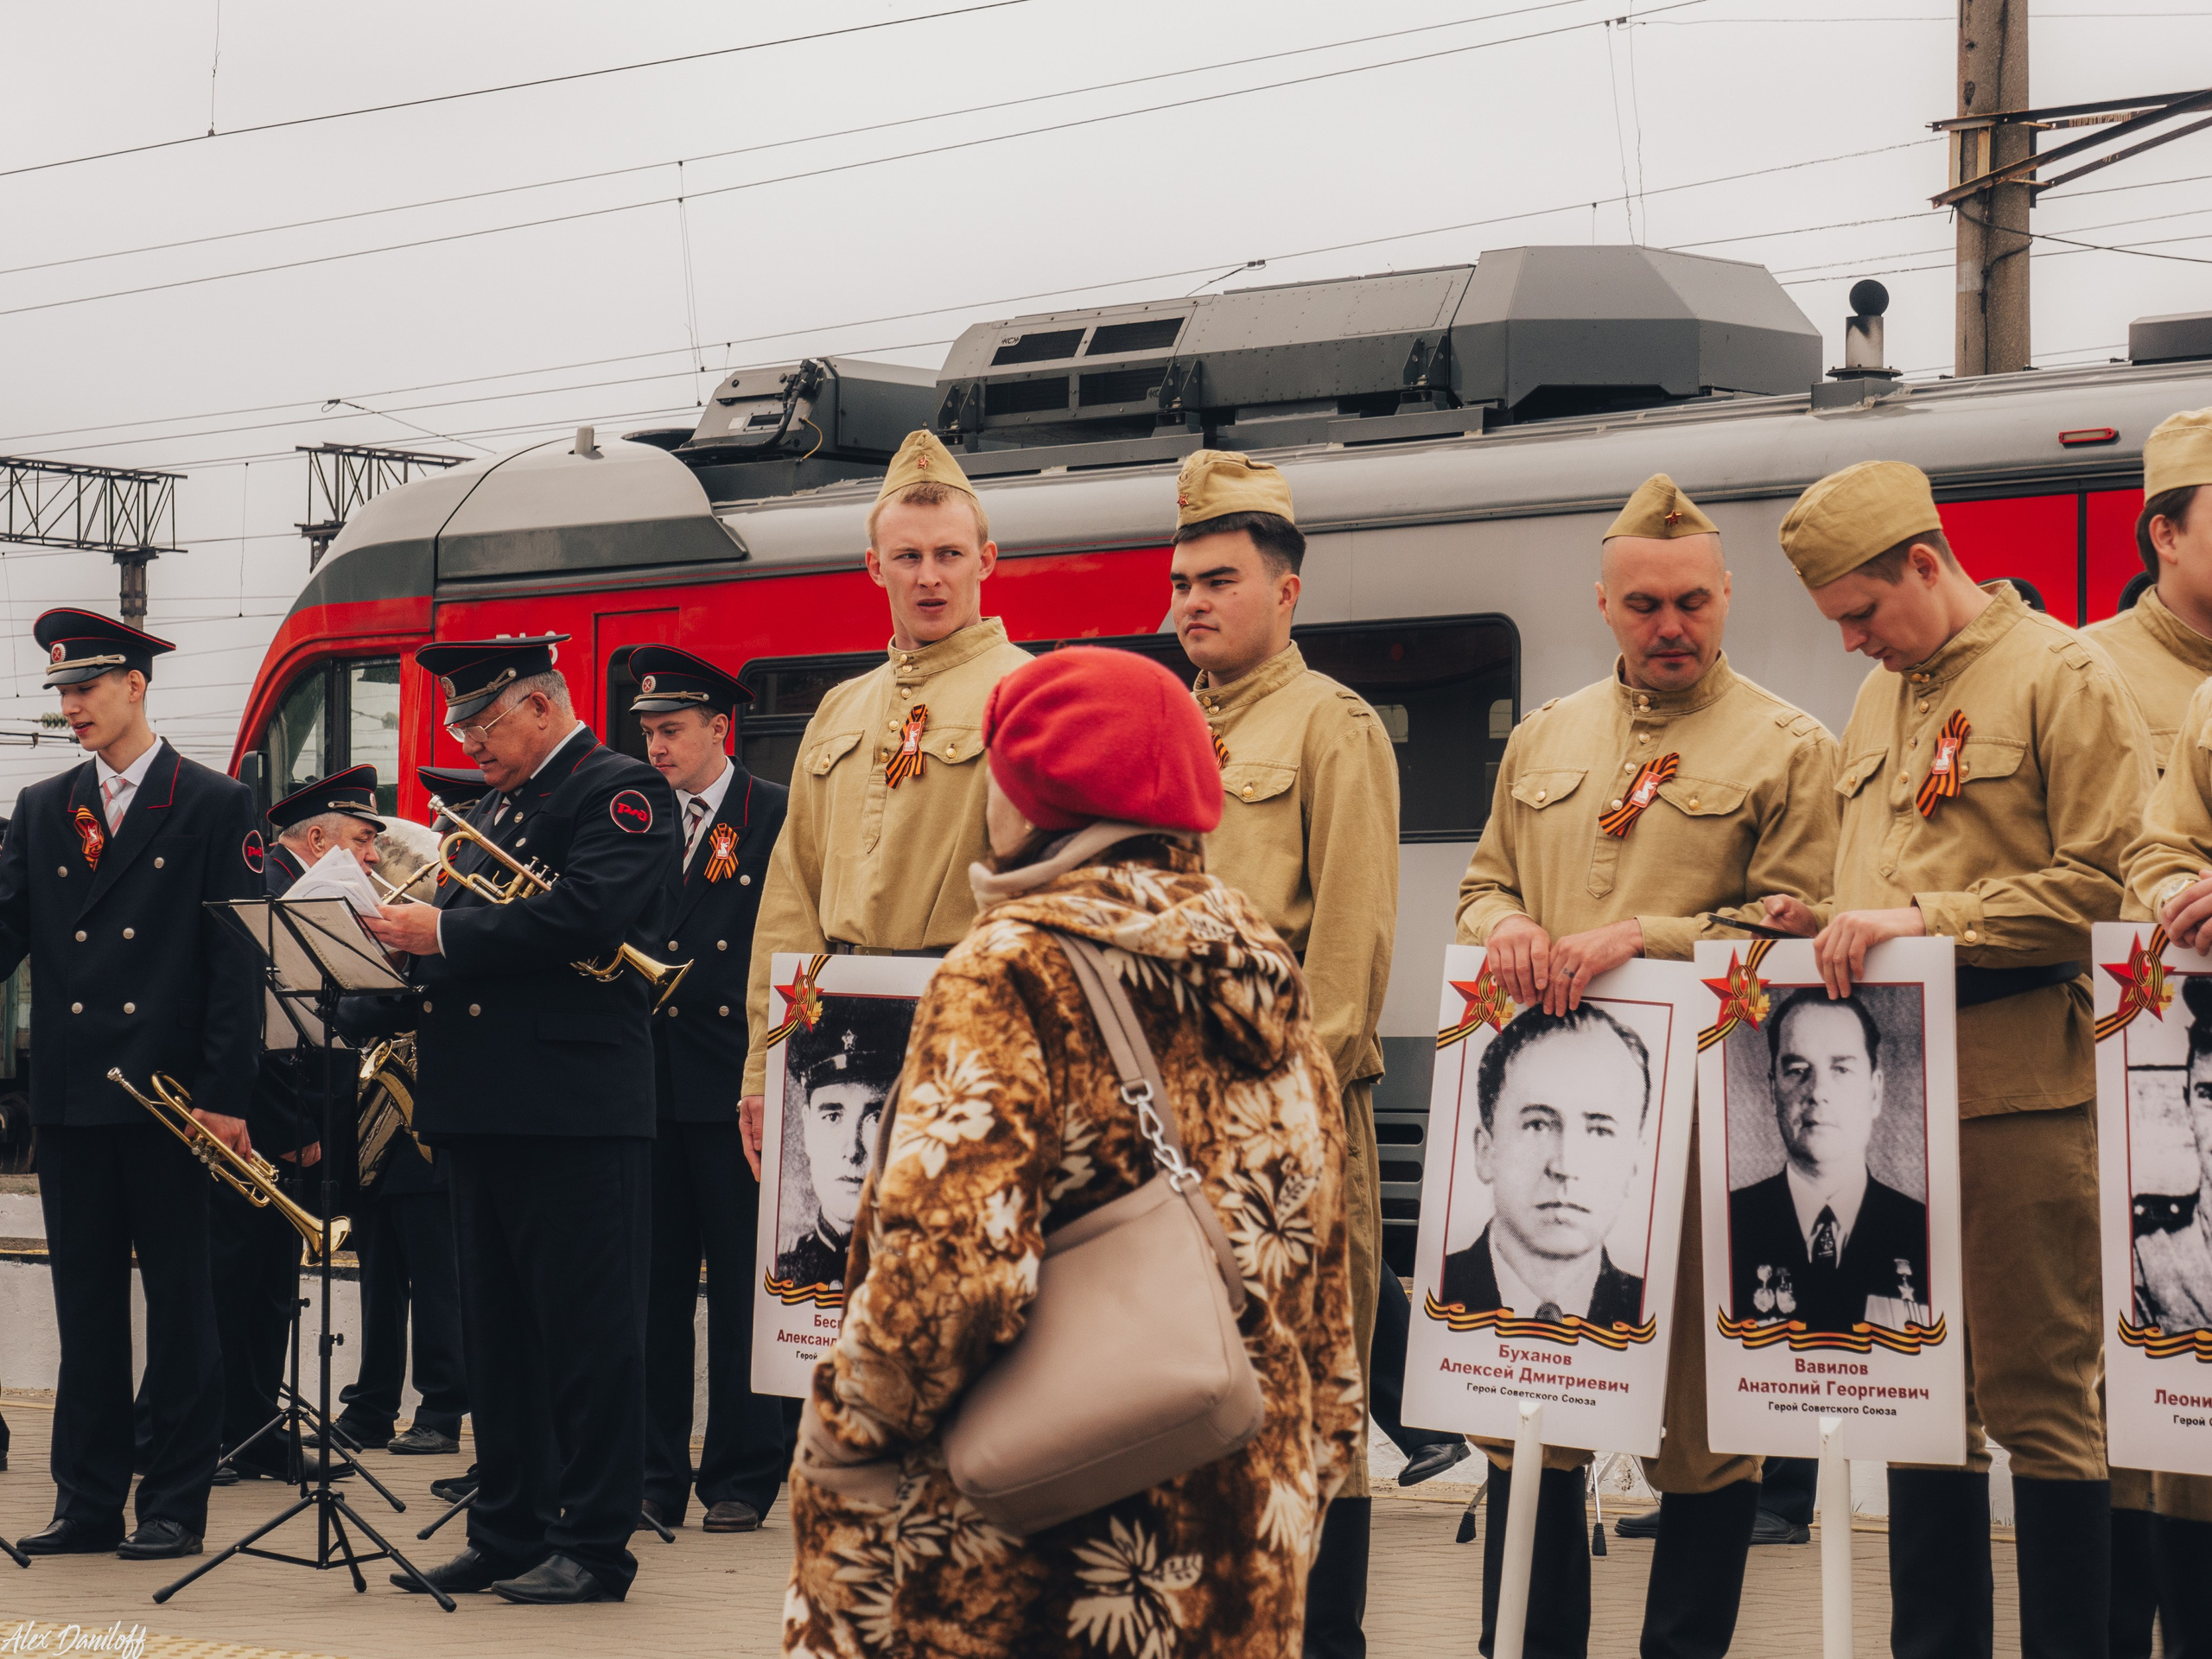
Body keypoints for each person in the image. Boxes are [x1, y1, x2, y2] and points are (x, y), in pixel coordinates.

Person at [783, 645, 1362, 1656]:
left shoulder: (1011, 970)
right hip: (1239, 1527)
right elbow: (1321, 1273)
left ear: (1028, 789)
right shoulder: (1266, 972)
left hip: (1036, 1550)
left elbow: (948, 1267)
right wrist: (1307, 1475)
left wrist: (844, 1433)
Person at [1763, 459, 2151, 1659]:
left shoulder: (2063, 676)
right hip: (1897, 1099)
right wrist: (1821, 917)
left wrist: (1925, 922)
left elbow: (2105, 886)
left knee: (2043, 1406)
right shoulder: (1880, 708)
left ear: (1925, 563)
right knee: (1919, 1401)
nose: (1852, 645)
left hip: (2020, 1090)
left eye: (1863, 614)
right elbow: (1870, 879)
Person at [1457, 474, 1839, 1659]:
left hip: (1710, 1134)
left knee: (1703, 1428)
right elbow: (1482, 887)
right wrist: (1504, 928)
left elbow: (1804, 928)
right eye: (1643, 606)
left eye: (1690, 602)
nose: (1669, 626)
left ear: (1727, 597)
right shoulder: (1546, 738)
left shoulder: (1790, 749)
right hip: (1558, 1144)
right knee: (1533, 1412)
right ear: (1605, 606)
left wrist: (1649, 937)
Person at [360, 635, 678, 1605]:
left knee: (586, 1338)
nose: (468, 740)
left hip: (573, 1110)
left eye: (481, 722)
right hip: (485, 1105)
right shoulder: (495, 806)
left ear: (542, 706)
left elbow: (591, 915)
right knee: (498, 1338)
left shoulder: (616, 789)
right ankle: (506, 1529)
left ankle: (595, 1542)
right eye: (460, 724)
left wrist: (443, 931)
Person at [1166, 449, 1398, 1656]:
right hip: (1171, 1139)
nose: (1192, 604)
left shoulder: (1332, 726)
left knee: (1312, 1412)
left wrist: (1276, 1107)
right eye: (1181, 584)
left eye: (1218, 580)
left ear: (1287, 591)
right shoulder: (1170, 728)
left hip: (1288, 1130)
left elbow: (1351, 962)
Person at [3, 610, 262, 1561]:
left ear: (136, 687)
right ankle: (85, 1499)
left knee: (183, 1307)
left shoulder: (213, 803)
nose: (71, 707)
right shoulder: (43, 806)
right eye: (63, 692)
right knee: (87, 1309)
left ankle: (175, 1503)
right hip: (73, 1097)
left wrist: (227, 1096)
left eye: (87, 689)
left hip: (172, 1098)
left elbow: (238, 963)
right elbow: (10, 928)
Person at [740, 430, 1031, 1177]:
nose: (929, 577)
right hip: (834, 1044)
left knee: (961, 1281)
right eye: (908, 557)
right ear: (876, 568)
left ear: (986, 561)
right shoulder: (839, 710)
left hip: (970, 1036)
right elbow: (789, 903)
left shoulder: (1028, 696)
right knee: (848, 1281)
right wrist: (765, 1072)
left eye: (949, 554)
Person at [626, 644, 800, 1536]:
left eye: (673, 731)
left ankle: (742, 1471)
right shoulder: (636, 817)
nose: (657, 749)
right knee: (653, 1293)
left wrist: (773, 1071)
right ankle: (656, 1473)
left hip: (734, 1080)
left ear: (717, 729)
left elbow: (791, 948)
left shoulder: (769, 813)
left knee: (741, 1289)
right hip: (646, 1085)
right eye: (649, 732)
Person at [2096, 405, 2212, 1659]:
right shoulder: (2092, 673)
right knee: (2150, 1408)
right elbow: (2122, 863)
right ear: (2163, 534)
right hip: (2140, 1097)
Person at [264, 767, 472, 1463]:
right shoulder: (388, 903)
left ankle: (442, 1406)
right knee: (381, 1265)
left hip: (430, 1105)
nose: (380, 858)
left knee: (437, 1268)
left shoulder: (463, 910)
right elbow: (348, 1011)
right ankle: (373, 1405)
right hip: (375, 1107)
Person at [212, 767, 387, 1484]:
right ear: (318, 839)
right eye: (363, 840)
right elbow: (256, 1018)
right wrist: (290, 1123)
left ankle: (250, 1426)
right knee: (232, 1285)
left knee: (267, 1289)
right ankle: (200, 1431)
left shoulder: (302, 884)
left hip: (295, 1119)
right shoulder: (278, 891)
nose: (373, 857)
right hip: (264, 1124)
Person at [1726, 990, 1929, 1335]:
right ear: (1773, 1090)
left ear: (1875, 1092)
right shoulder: (1727, 1225)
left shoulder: (1924, 1233)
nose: (1818, 1090)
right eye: (1797, 1070)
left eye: (1841, 1069)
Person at [1438, 1004, 1649, 1325]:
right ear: (1485, 1151)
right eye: (1538, 1125)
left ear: (1635, 1162)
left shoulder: (1651, 1314)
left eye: (1599, 1130)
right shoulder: (1435, 1294)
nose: (1564, 1166)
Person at [772, 1010, 901, 1291]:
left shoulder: (921, 1267)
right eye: (833, 1116)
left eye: (876, 1118)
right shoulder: (783, 1268)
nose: (852, 1150)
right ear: (807, 1127)